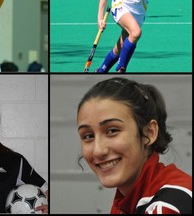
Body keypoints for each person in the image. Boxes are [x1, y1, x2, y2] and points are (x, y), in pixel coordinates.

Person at [77, 77, 192, 214]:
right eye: (88, 136)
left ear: (149, 132)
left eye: (112, 131)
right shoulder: (126, 201)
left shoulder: (168, 205)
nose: (98, 151)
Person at [95, 0, 148, 73]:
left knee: (120, 48)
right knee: (136, 33)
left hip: (139, 9)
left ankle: (101, 71)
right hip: (121, 4)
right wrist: (100, 17)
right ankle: (121, 69)